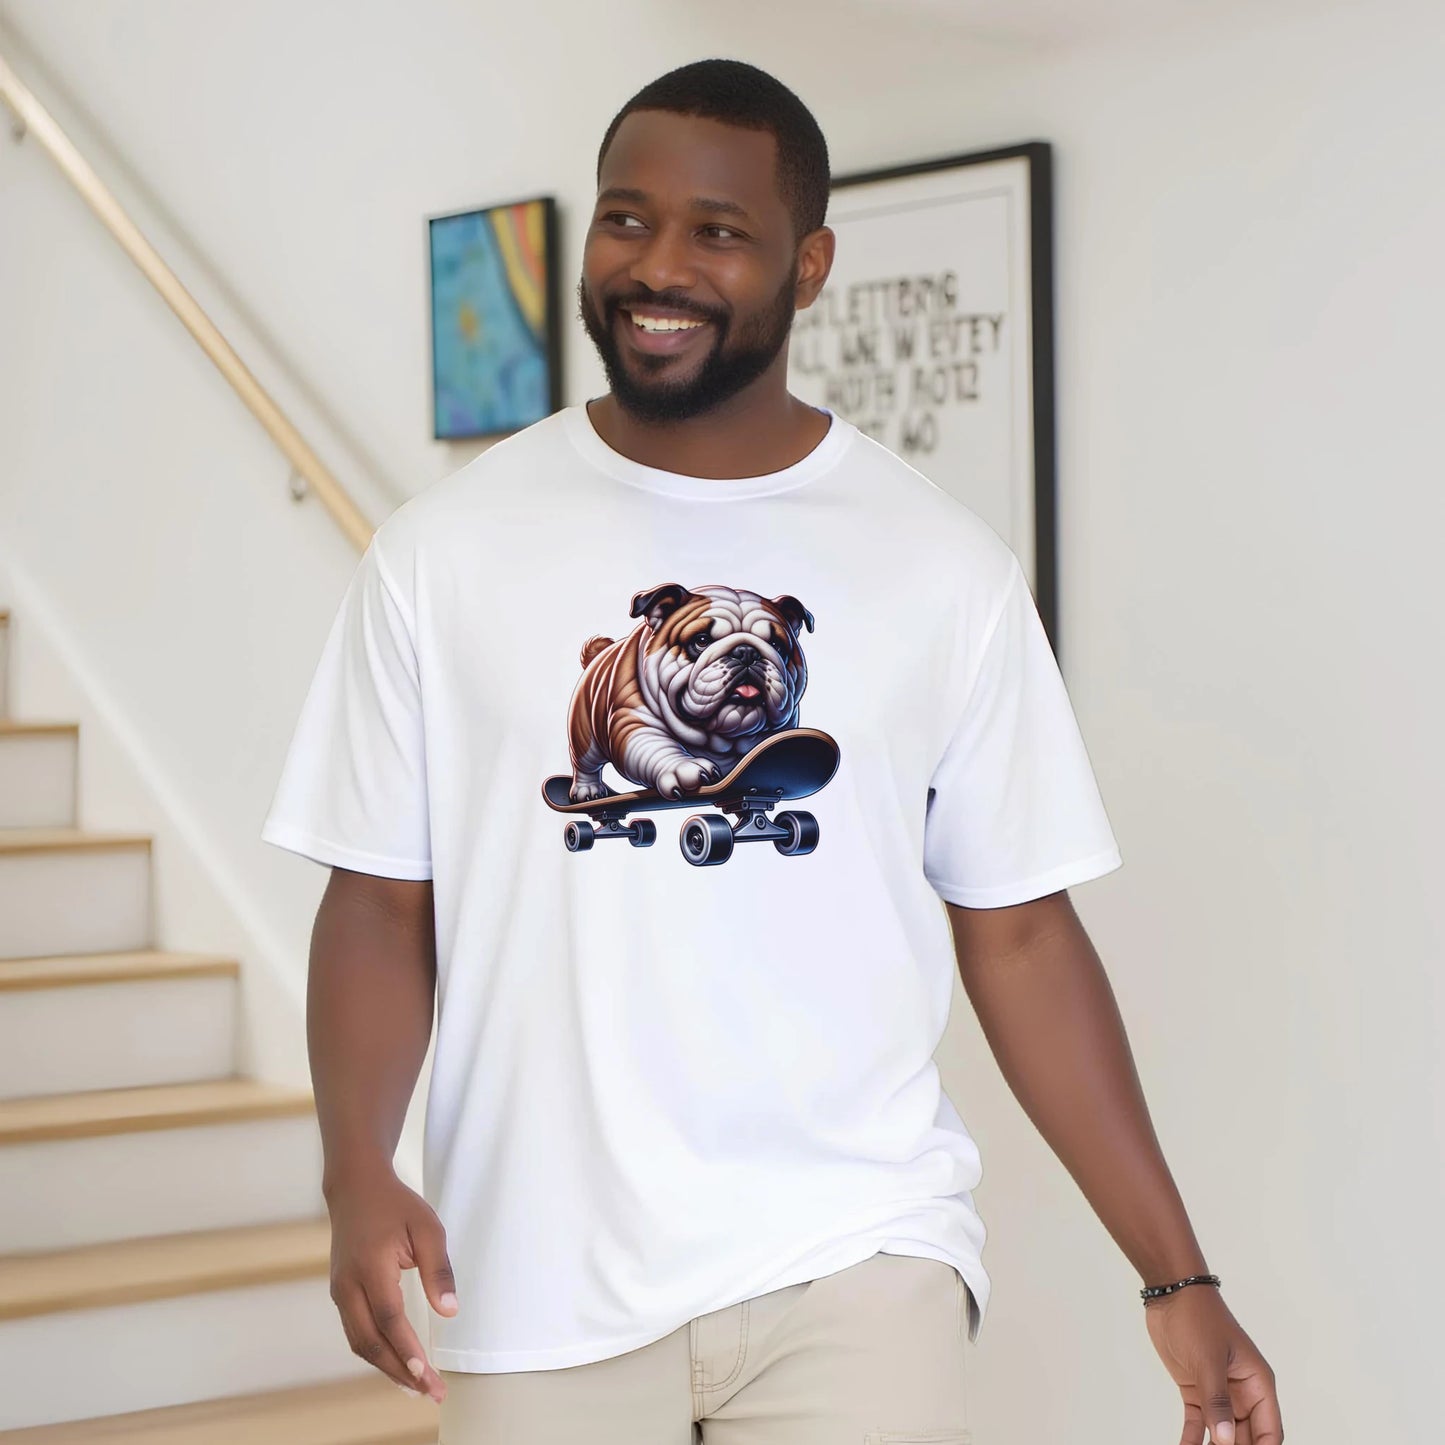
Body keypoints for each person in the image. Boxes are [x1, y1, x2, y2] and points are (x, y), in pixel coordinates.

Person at [262, 57, 1283, 1445]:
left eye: (716, 231)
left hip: (853, 1256)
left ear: (808, 267)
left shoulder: (940, 570)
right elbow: (384, 901)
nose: (656, 264)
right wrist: (352, 1168)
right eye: (626, 219)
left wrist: (1177, 1272)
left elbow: (1025, 937)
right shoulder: (442, 556)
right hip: (534, 1278)